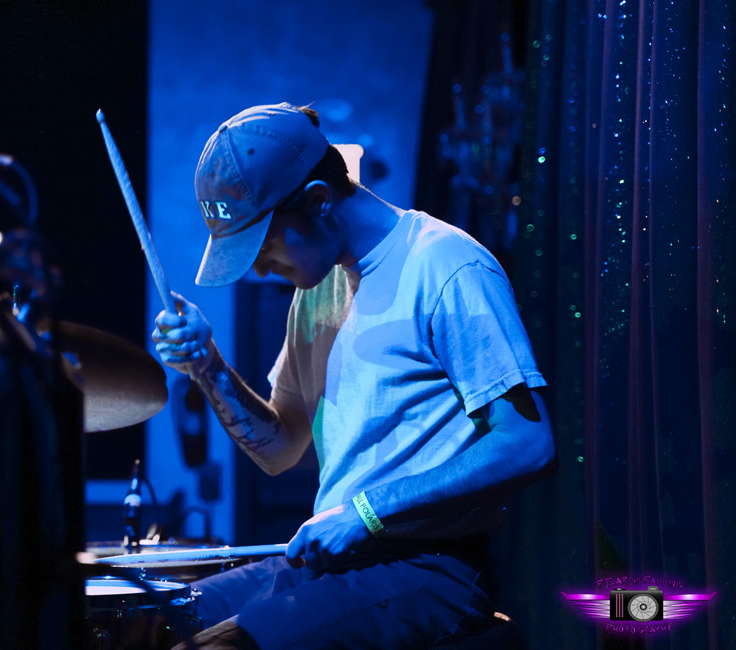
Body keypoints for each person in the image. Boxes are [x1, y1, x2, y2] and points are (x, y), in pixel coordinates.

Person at [152, 103, 556, 650]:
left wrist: (368, 512)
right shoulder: (317, 288)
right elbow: (281, 447)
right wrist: (206, 365)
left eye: (264, 247)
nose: (260, 269)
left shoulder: (446, 265)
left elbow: (528, 441)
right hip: (339, 564)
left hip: (429, 572)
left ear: (319, 201)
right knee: (149, 621)